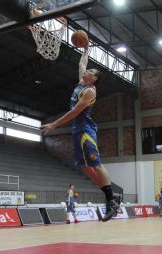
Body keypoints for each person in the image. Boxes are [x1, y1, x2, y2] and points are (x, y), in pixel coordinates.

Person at [40, 46, 120, 222]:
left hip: (85, 130)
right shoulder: (81, 83)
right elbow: (82, 64)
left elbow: (74, 113)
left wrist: (54, 124)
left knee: (96, 165)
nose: (87, 70)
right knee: (85, 167)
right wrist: (85, 50)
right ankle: (111, 196)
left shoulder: (90, 91)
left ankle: (111, 201)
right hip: (77, 131)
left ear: (94, 79)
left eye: (91, 71)